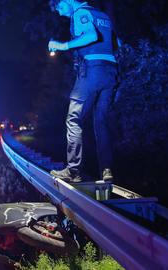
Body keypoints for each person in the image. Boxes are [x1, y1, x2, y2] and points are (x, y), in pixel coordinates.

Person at [47, 0, 119, 182]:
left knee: (73, 119)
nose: (61, 13)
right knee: (101, 122)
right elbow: (117, 43)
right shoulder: (103, 16)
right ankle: (107, 169)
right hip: (111, 72)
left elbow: (91, 35)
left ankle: (73, 171)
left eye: (60, 8)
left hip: (92, 71)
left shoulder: (81, 13)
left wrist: (62, 46)